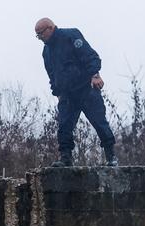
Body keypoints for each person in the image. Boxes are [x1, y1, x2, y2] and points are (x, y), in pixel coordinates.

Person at [35, 18, 118, 167]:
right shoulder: (46, 51)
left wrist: (95, 75)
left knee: (99, 122)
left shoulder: (71, 36)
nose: (40, 38)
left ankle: (111, 156)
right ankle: (65, 158)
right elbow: (52, 74)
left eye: (41, 34)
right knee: (64, 126)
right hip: (67, 95)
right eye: (37, 36)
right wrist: (57, 92)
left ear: (50, 28)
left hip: (86, 88)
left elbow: (90, 56)